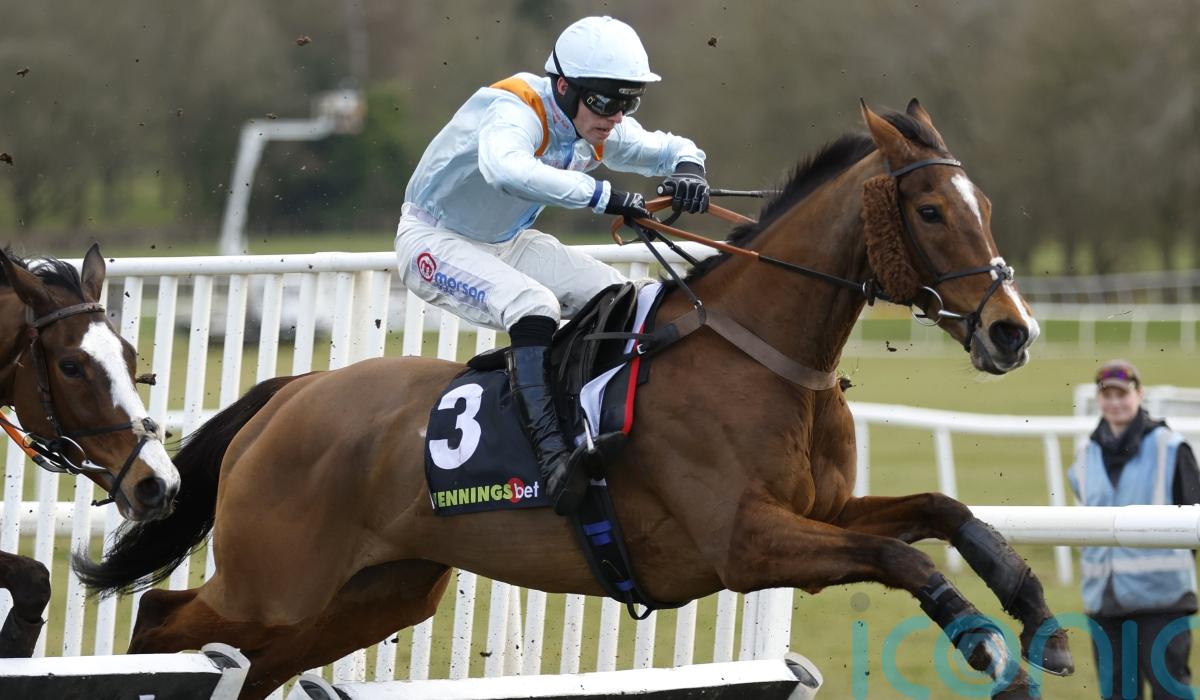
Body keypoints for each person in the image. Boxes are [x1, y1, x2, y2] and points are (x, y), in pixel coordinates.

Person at [395, 16, 709, 516]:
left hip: (508, 242)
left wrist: (690, 171)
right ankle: (550, 455)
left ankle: (603, 425)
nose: (615, 116)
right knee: (533, 304)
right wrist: (603, 195)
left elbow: (671, 148)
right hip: (433, 241)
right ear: (564, 87)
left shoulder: (597, 124)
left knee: (624, 299)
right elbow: (505, 170)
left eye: (628, 103)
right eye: (605, 102)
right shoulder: (514, 107)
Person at [1068, 359, 1200, 699]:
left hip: (1162, 601)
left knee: (1170, 693)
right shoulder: (1085, 453)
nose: (1115, 402)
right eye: (1107, 395)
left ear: (1139, 395)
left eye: (1122, 394)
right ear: (1098, 398)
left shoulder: (1171, 447)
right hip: (1104, 600)